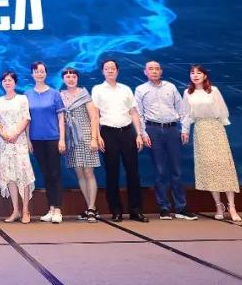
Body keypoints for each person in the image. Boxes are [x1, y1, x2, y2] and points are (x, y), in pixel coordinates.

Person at [135, 61, 196, 221]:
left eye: (157, 69)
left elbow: (183, 110)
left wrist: (185, 129)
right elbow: (138, 114)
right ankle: (164, 208)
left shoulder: (171, 87)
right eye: (150, 69)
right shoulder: (140, 89)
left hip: (172, 130)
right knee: (160, 171)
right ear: (145, 72)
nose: (154, 71)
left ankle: (181, 208)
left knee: (177, 170)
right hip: (153, 130)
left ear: (161, 71)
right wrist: (143, 133)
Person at [182, 64, 242, 222]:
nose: (195, 75)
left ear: (205, 76)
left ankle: (232, 206)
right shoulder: (188, 93)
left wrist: (220, 127)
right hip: (200, 129)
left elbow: (222, 111)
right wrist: (185, 130)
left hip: (216, 128)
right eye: (192, 73)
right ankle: (218, 206)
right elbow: (186, 114)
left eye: (198, 73)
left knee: (224, 166)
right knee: (209, 168)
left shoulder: (213, 90)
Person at [91, 59, 148, 223]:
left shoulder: (126, 89)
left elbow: (134, 113)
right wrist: (97, 136)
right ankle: (116, 211)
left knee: (133, 173)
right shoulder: (97, 89)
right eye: (107, 68)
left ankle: (136, 211)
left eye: (113, 68)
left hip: (128, 132)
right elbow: (95, 115)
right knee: (112, 173)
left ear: (117, 71)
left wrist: (139, 134)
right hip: (108, 133)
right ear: (102, 71)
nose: (110, 71)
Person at [59, 67, 101, 222]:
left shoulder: (84, 94)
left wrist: (94, 138)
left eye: (73, 76)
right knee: (80, 173)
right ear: (63, 79)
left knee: (89, 172)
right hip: (71, 139)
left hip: (86, 136)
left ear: (77, 78)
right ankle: (91, 208)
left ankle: (91, 208)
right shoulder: (60, 95)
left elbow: (94, 117)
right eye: (67, 76)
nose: (70, 79)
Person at [0, 71, 34, 224]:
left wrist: (16, 133)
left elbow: (26, 118)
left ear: (15, 82)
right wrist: (2, 133)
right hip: (4, 142)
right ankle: (15, 211)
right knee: (9, 175)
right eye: (4, 80)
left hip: (19, 140)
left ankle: (26, 211)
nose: (7, 82)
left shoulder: (22, 99)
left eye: (10, 80)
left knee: (23, 174)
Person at [27, 62, 65, 223]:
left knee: (55, 173)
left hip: (53, 138)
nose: (39, 74)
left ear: (46, 73)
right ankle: (51, 208)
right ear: (32, 74)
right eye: (36, 71)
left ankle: (58, 210)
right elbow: (26, 120)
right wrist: (28, 141)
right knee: (46, 174)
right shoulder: (27, 94)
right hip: (36, 139)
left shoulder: (54, 93)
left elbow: (61, 117)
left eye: (42, 71)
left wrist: (62, 139)